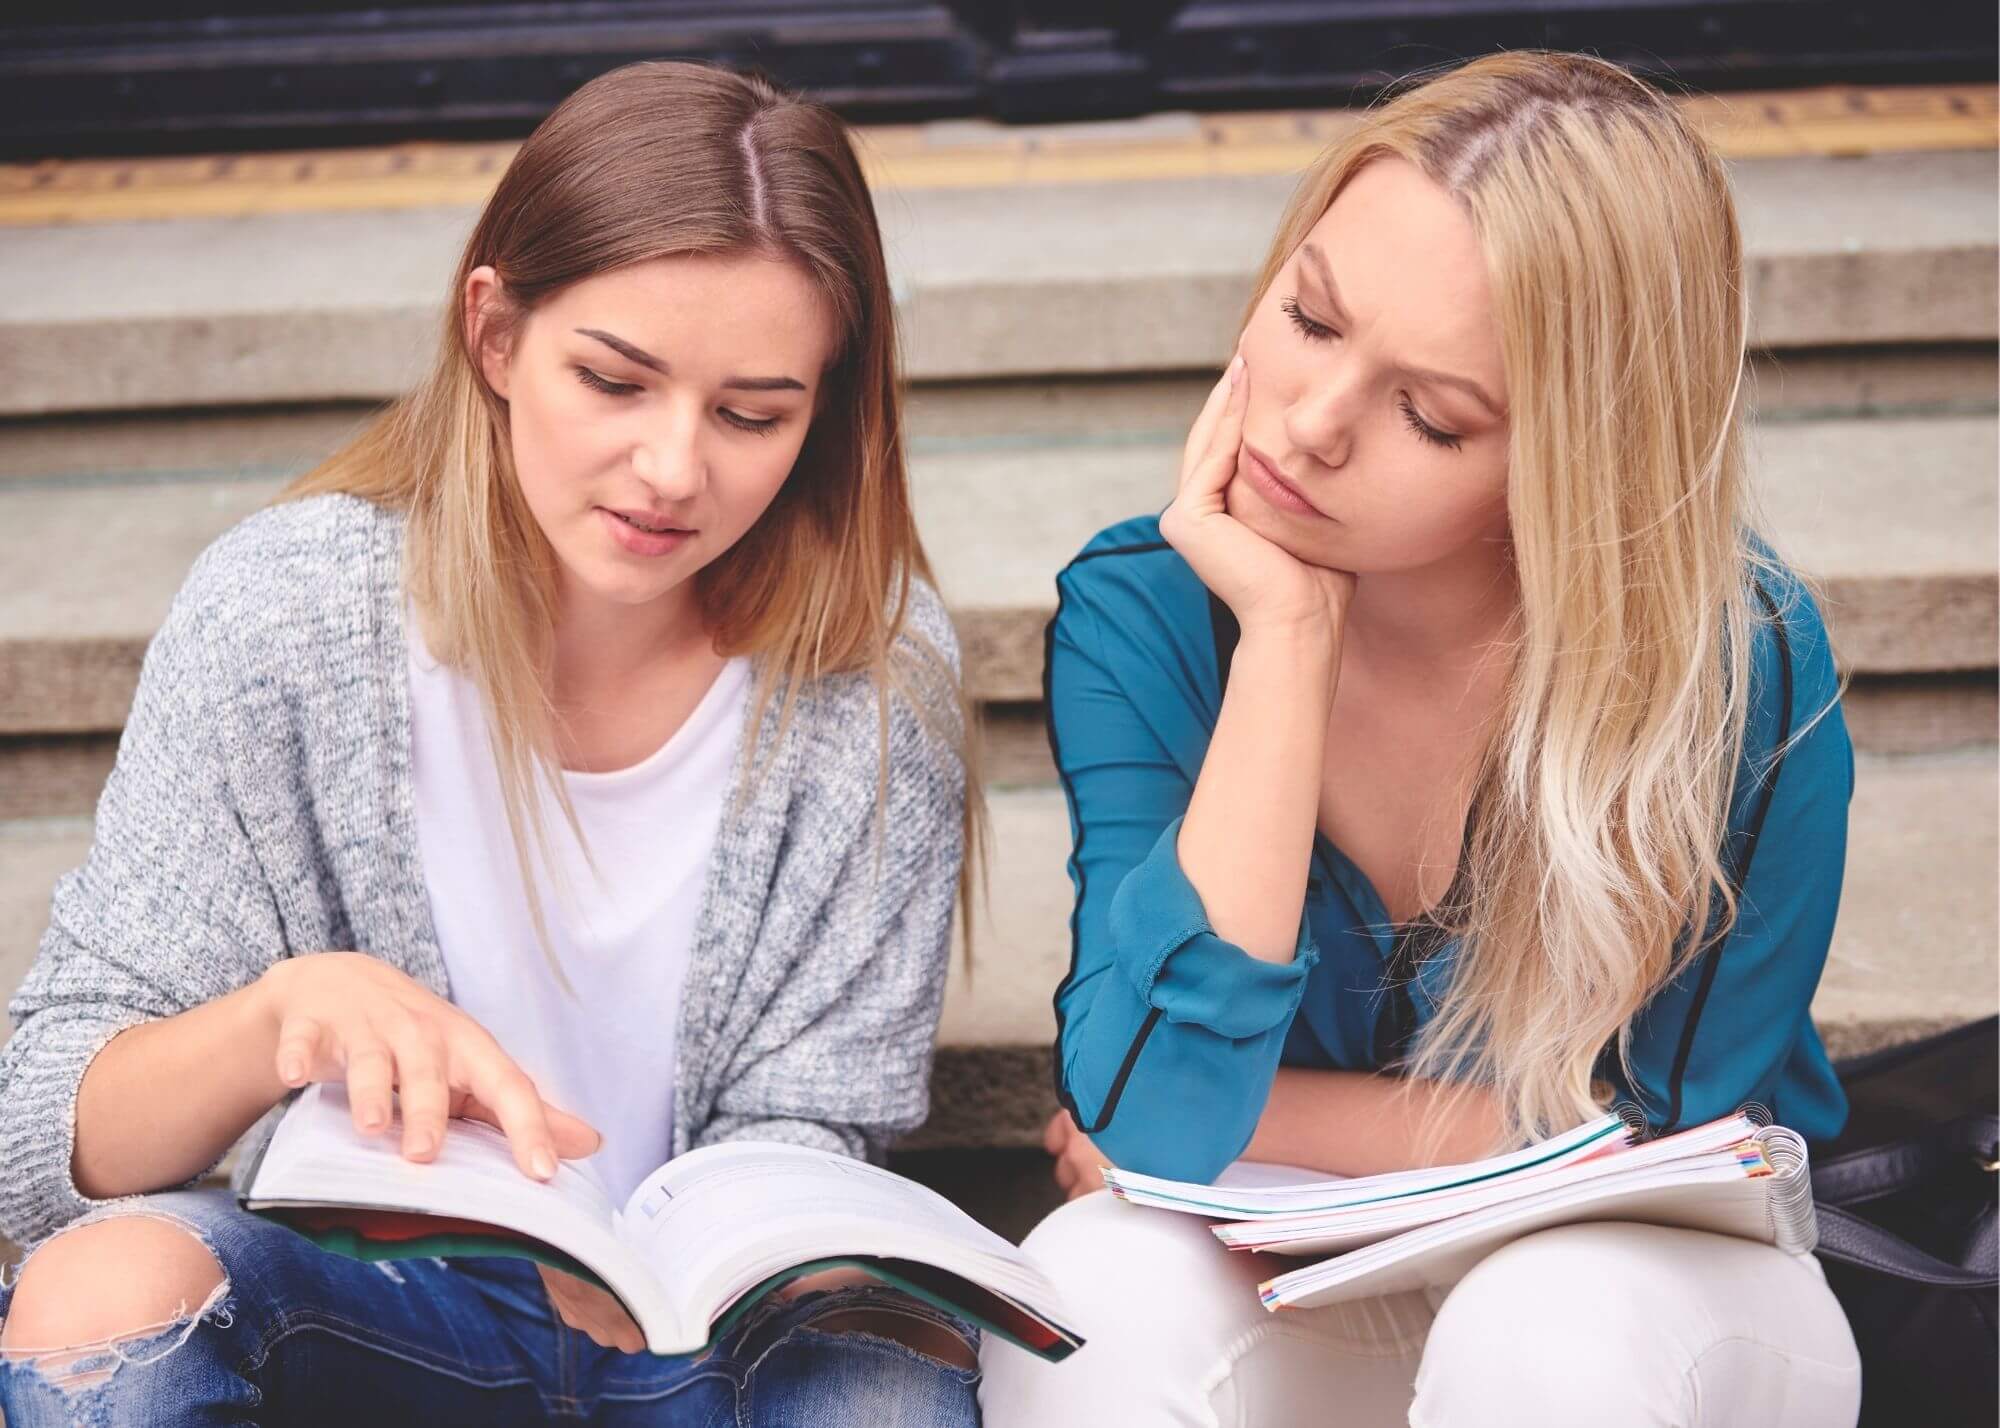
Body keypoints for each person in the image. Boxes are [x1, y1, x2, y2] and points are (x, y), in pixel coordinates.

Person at [0, 60, 984, 1427]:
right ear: (496, 335)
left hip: (704, 1342)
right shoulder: (288, 620)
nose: (672, 470)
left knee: (887, 1377)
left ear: (825, 412)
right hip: (384, 1315)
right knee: (95, 1302)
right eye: (615, 381)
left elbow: (816, 1128)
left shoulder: (871, 676)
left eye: (753, 414)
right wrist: (282, 1018)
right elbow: (41, 1143)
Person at [981, 51, 1861, 1427]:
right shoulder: (1149, 610)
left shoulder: (1735, 664)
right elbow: (1155, 1106)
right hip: (1292, 1271)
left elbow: (1655, 1129)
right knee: (1088, 1302)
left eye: (1431, 415)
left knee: (1543, 1325)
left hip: (1659, 1299)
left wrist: (1246, 1121)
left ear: (1572, 458)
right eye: (1310, 318)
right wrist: (1286, 642)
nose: (1310, 425)